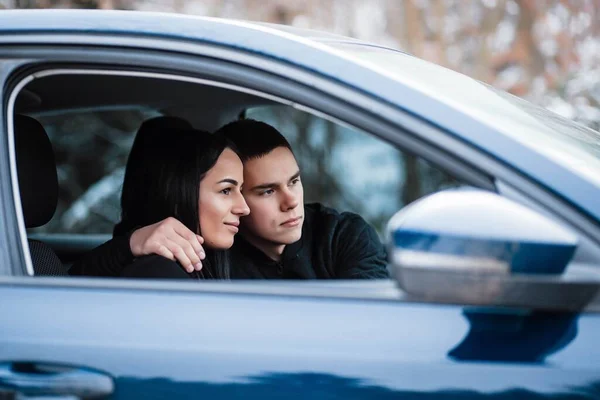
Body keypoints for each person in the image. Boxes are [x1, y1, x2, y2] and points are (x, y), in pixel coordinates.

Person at [71, 119, 388, 279]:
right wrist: (132, 241)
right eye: (266, 190)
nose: (292, 201)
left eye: (295, 181)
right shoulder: (206, 253)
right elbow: (75, 287)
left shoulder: (342, 235)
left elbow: (373, 327)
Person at [70, 124, 249, 279]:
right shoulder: (159, 273)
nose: (244, 208)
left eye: (240, 190)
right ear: (180, 193)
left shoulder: (218, 262)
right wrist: (128, 245)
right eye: (226, 190)